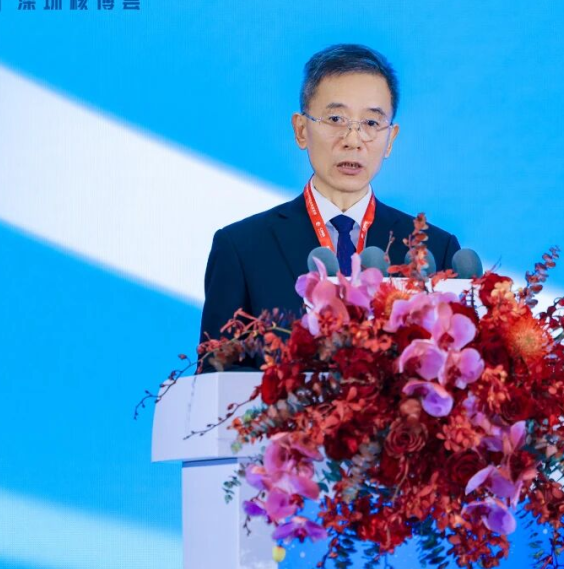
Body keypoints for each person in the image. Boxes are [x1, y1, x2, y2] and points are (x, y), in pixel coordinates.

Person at [198, 44, 462, 368]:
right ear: (301, 130)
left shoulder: (436, 251)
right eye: (336, 119)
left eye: (371, 123)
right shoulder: (242, 249)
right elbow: (215, 381)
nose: (353, 139)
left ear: (390, 139)